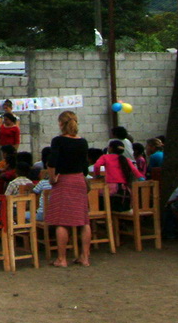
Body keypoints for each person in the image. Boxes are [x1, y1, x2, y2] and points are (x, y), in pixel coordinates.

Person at [45, 110, 92, 267]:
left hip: (64, 181)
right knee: (84, 220)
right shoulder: (83, 142)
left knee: (62, 221)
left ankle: (61, 258)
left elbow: (52, 162)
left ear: (60, 123)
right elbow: (85, 167)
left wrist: (52, 178)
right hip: (79, 180)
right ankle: (85, 257)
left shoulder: (58, 141)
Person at [93, 138, 139, 209]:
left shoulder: (105, 157)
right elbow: (134, 170)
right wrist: (142, 179)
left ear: (110, 148)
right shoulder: (125, 159)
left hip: (111, 190)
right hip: (124, 190)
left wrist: (97, 175)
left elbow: (96, 166)